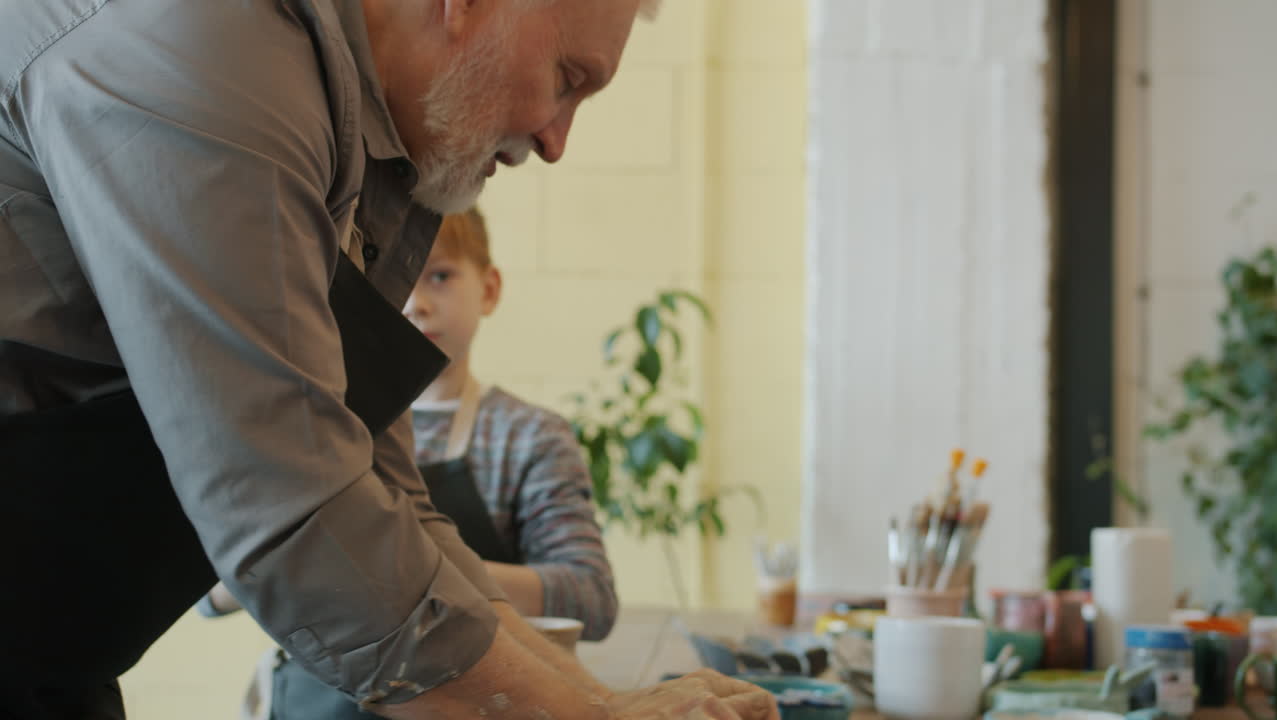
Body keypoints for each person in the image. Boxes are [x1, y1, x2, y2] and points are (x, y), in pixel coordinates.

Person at [0, 1, 779, 719]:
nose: (554, 140)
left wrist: (603, 700)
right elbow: (296, 506)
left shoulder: (339, 133)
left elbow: (385, 499)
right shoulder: (205, 50)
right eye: (566, 80)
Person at [201, 207, 620, 718]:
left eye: (440, 276)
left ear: (488, 289)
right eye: (399, 287)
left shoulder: (526, 437)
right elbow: (209, 593)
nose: (417, 304)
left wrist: (415, 577)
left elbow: (590, 597)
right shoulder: (319, 427)